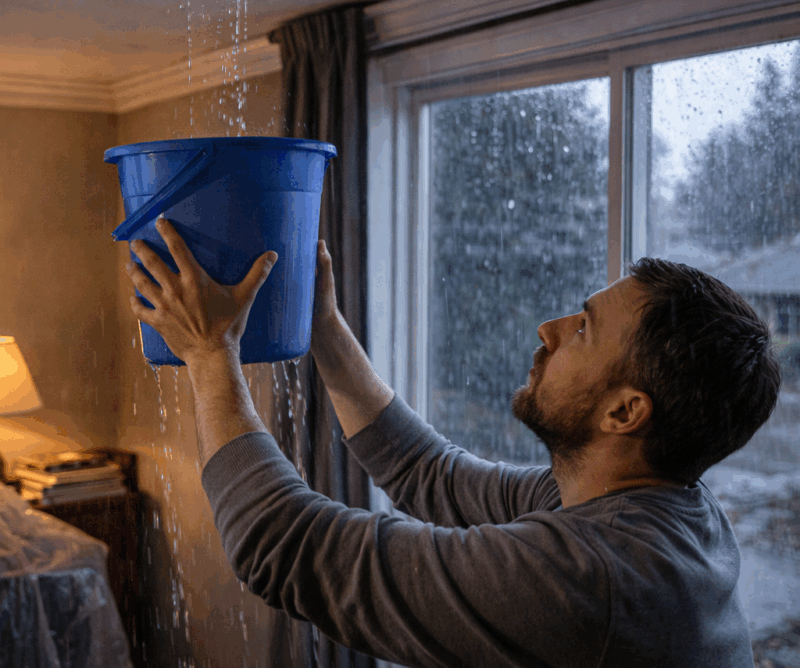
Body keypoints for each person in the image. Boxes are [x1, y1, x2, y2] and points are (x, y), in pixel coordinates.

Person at [124, 217, 781, 668]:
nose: (549, 329)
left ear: (625, 411)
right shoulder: (658, 507)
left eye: (583, 329)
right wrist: (320, 323)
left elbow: (284, 546)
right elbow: (425, 473)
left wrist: (212, 355)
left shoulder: (597, 578)